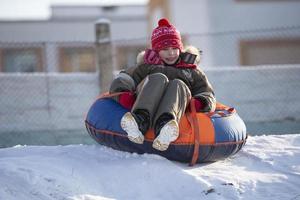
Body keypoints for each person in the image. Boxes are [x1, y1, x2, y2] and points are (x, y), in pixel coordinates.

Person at [109, 18, 216, 151]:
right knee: (158, 78)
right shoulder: (147, 67)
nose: (171, 53)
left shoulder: (191, 71)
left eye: (174, 48)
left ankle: (166, 129)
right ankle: (138, 121)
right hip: (146, 100)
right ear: (156, 50)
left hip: (176, 106)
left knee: (179, 84)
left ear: (180, 49)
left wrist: (200, 102)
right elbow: (123, 79)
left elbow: (207, 92)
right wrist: (124, 96)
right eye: (165, 49)